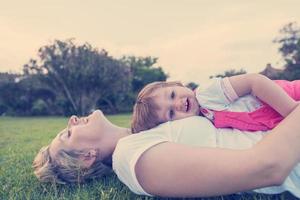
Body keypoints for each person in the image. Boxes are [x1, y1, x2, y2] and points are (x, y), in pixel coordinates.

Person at [33, 105, 300, 198]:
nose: (71, 119)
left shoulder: (144, 132)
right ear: (87, 156)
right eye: (67, 134)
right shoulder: (133, 159)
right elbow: (268, 166)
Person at [131, 73, 300, 133]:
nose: (177, 104)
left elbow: (255, 81)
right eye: (170, 113)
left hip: (288, 96)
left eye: (173, 95)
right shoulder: (201, 121)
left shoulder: (205, 94)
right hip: (276, 117)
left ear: (178, 85)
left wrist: (291, 110)